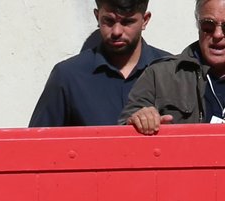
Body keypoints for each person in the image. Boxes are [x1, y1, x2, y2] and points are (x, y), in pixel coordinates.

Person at [30, 1, 169, 127]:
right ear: (97, 17)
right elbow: (37, 145)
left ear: (145, 20)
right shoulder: (67, 76)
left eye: (127, 22)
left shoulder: (173, 72)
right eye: (108, 21)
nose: (116, 31)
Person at [120, 0, 225, 134]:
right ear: (198, 25)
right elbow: (123, 131)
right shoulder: (159, 76)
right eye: (208, 25)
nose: (217, 35)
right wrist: (140, 119)